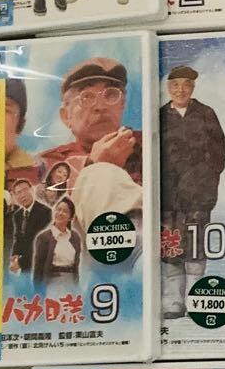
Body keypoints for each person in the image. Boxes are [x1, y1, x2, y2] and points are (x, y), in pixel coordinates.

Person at [37, 57, 144, 237]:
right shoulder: (46, 164)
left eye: (111, 95)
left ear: (122, 105)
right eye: (86, 97)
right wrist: (96, 166)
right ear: (66, 116)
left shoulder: (150, 146)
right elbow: (49, 221)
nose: (101, 106)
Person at [159, 64, 225, 318]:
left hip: (199, 196)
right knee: (170, 249)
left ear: (193, 87)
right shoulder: (160, 116)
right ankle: (173, 303)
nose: (181, 90)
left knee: (196, 248)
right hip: (168, 198)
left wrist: (206, 186)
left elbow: (219, 156)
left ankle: (196, 298)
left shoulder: (206, 114)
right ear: (169, 88)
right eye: (175, 85)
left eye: (186, 85)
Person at [31, 196, 81, 292]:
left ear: (71, 217)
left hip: (71, 283)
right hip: (52, 283)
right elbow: (38, 267)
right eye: (58, 209)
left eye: (65, 211)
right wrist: (37, 292)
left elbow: (76, 265)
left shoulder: (75, 237)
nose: (60, 213)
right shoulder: (44, 237)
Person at [8, 178, 52, 275]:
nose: (23, 195)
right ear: (15, 196)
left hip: (41, 264)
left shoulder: (45, 212)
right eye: (18, 192)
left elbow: (40, 244)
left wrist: (20, 263)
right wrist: (15, 254)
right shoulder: (17, 215)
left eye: (25, 190)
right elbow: (18, 237)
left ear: (32, 190)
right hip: (25, 267)